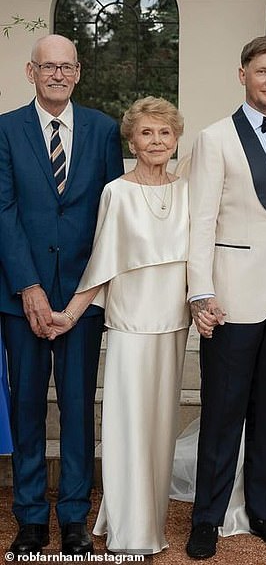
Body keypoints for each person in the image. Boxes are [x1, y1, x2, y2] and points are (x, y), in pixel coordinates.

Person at [185, 35, 266, 559]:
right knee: (222, 408)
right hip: (232, 294)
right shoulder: (214, 138)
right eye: (262, 71)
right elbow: (200, 221)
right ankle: (206, 518)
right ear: (243, 75)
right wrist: (200, 293)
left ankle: (264, 510)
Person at [47, 96, 190, 554]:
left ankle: (150, 518)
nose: (156, 141)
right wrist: (70, 314)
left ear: (176, 139)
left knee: (161, 427)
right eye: (146, 133)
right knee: (128, 424)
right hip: (130, 323)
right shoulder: (117, 191)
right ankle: (132, 530)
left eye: (164, 133)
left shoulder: (189, 191)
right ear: (131, 139)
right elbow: (102, 262)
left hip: (173, 324)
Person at [0, 34, 123, 556]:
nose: (57, 75)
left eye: (66, 67)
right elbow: (2, 211)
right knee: (27, 406)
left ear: (78, 72)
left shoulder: (103, 130)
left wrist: (81, 298)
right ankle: (30, 518)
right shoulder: (6, 129)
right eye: (47, 67)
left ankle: (74, 516)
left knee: (77, 408)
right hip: (18, 295)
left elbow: (115, 215)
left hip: (82, 297)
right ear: (31, 72)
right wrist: (27, 286)